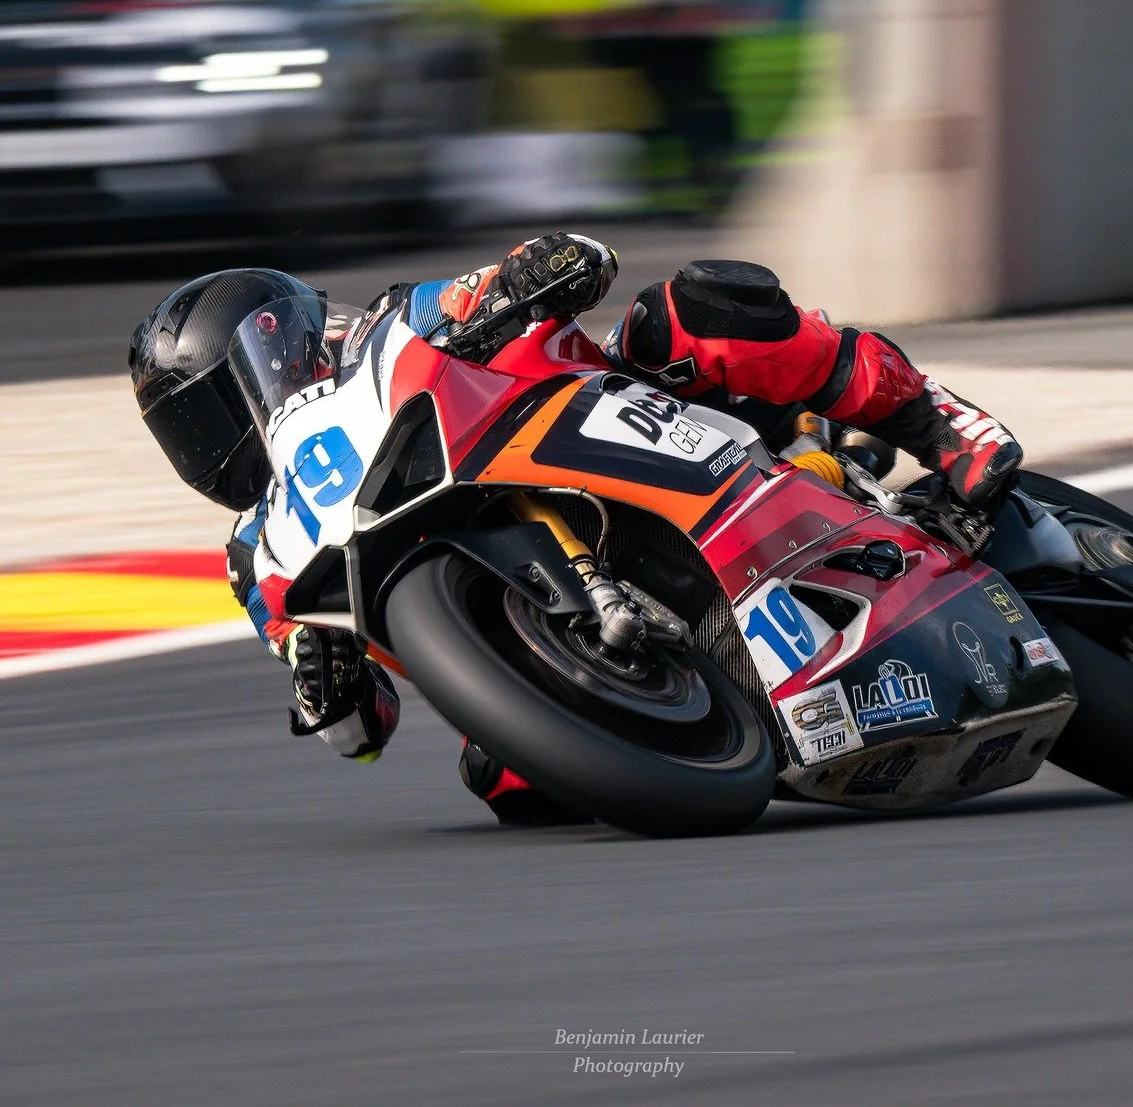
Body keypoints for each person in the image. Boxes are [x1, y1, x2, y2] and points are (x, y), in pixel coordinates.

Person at [130, 235, 1022, 826]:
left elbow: (540, 273)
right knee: (507, 784)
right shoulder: (261, 557)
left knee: (687, 310)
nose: (216, 435)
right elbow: (366, 734)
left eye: (219, 400)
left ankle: (932, 421)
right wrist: (325, 689)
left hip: (611, 431)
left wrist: (533, 272)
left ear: (285, 339)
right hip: (539, 628)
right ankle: (701, 697)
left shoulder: (387, 328)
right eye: (194, 423)